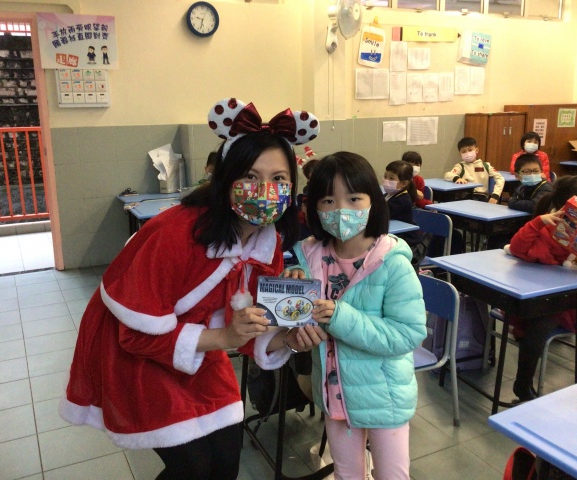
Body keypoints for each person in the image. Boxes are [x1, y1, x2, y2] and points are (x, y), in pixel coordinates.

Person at [59, 98, 327, 480]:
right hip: (132, 351)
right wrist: (224, 336)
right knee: (194, 468)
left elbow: (247, 335)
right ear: (225, 179)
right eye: (250, 177)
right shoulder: (174, 234)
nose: (265, 190)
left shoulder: (266, 247)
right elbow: (135, 336)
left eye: (279, 179)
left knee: (226, 459)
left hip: (198, 348)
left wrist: (289, 338)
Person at [286, 151, 427, 480]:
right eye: (328, 201)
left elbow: (407, 335)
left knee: (392, 476)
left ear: (373, 201)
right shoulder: (308, 256)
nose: (341, 210)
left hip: (384, 398)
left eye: (353, 198)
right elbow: (294, 319)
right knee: (347, 474)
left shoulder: (392, 263)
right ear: (313, 208)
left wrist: (340, 318)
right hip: (335, 397)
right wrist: (290, 287)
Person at [507, 175, 577, 402]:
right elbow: (518, 248)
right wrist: (539, 222)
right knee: (539, 325)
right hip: (555, 301)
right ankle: (523, 384)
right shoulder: (550, 227)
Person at [384, 160, 426, 267]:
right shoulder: (388, 195)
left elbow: (380, 213)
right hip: (393, 236)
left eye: (391, 178)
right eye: (385, 176)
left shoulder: (403, 200)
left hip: (406, 241)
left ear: (404, 183)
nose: (386, 180)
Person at [444, 136, 505, 204]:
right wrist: (457, 178)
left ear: (476, 150)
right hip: (465, 196)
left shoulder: (486, 166)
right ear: (460, 154)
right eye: (464, 151)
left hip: (482, 196)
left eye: (470, 150)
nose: (467, 153)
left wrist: (495, 196)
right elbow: (448, 175)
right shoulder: (460, 166)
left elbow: (500, 178)